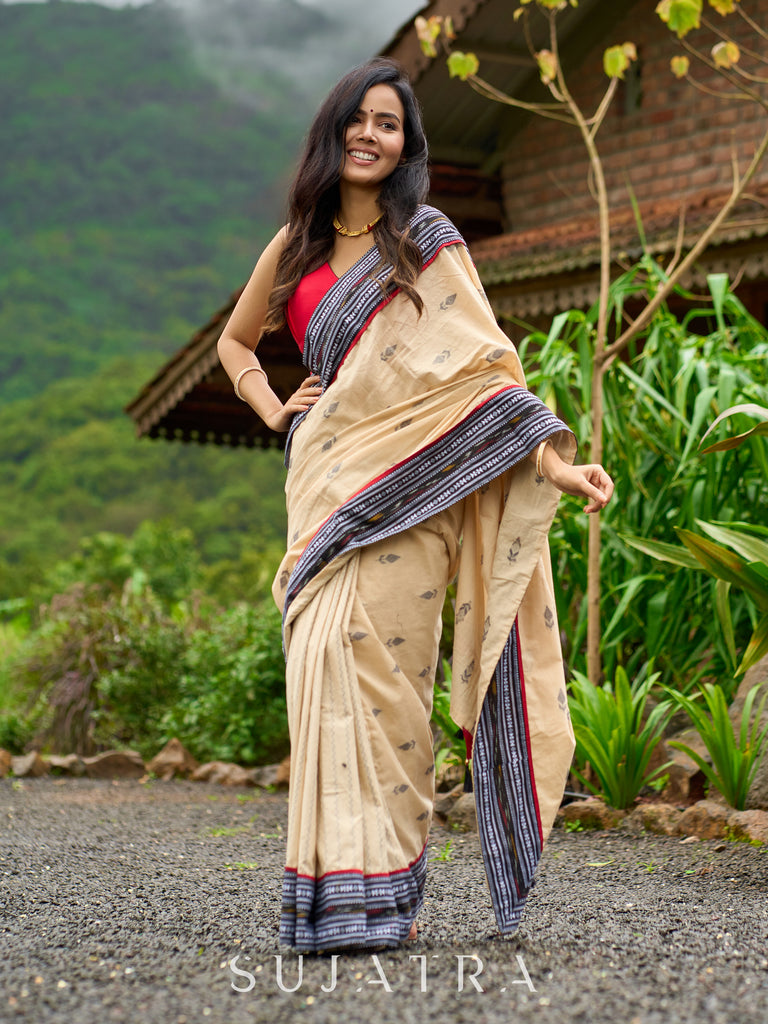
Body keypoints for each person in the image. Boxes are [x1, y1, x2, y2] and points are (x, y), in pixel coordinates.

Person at [217, 57, 613, 953]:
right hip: (325, 492)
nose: (370, 133)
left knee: (386, 681)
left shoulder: (425, 241)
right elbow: (236, 344)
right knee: (321, 681)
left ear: (406, 146)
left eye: (388, 123)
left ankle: (386, 895)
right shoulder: (296, 247)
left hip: (415, 500)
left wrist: (553, 462)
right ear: (333, 131)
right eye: (357, 118)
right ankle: (330, 896)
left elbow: (485, 373)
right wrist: (274, 404)